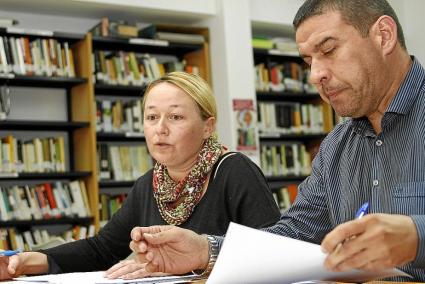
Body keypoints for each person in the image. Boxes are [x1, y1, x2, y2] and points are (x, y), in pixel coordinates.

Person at [128, 0, 425, 282]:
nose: (315, 75)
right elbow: (295, 233)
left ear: (383, 36)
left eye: (329, 50)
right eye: (308, 60)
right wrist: (206, 250)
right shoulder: (336, 147)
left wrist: (416, 236)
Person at [0, 72, 280, 280]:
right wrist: (26, 262)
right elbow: (102, 249)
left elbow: (273, 253)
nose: (160, 129)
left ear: (208, 127)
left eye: (176, 117)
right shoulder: (150, 183)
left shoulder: (234, 170)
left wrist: (198, 264)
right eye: (151, 117)